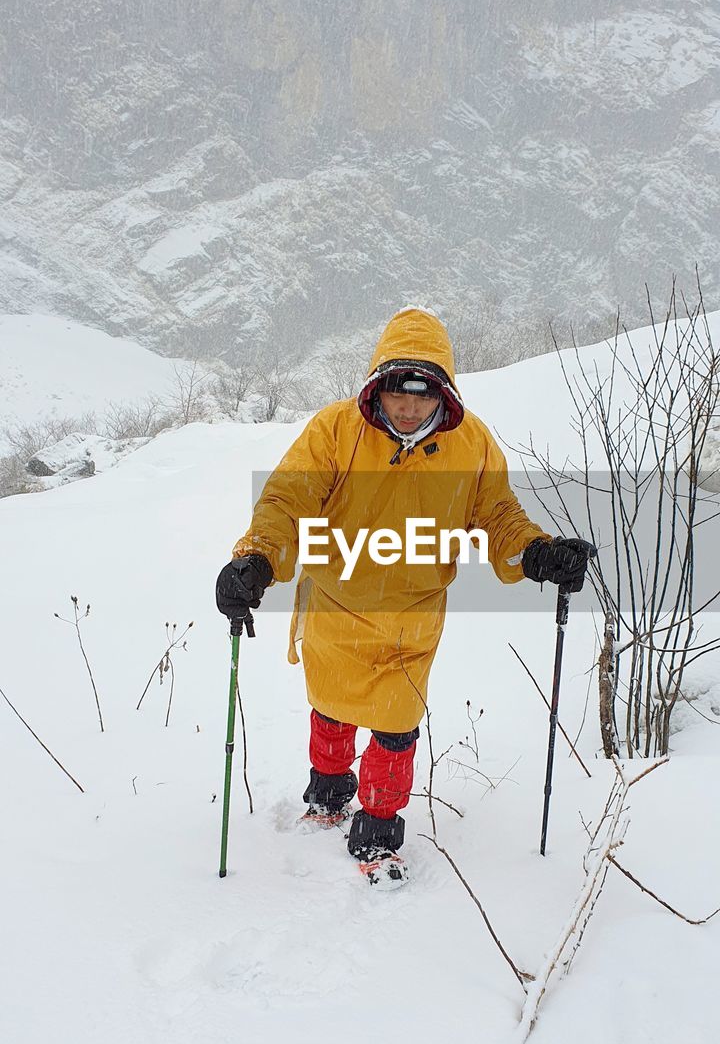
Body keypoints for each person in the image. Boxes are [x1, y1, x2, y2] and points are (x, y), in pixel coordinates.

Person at [216, 307, 592, 885]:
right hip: (336, 603)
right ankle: (329, 791)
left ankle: (379, 827)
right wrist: (257, 559)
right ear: (377, 387)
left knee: (397, 725)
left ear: (442, 389)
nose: (409, 408)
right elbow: (287, 500)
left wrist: (535, 553)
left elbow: (496, 515)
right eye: (397, 394)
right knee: (331, 703)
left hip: (413, 618)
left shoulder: (471, 444)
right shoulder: (335, 431)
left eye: (422, 394)